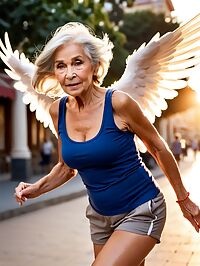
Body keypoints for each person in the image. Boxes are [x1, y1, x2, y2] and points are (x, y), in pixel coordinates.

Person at [14, 22, 200, 266]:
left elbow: (158, 147)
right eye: (61, 66)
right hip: (100, 218)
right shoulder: (57, 110)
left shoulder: (119, 103)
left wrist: (183, 199)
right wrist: (35, 188)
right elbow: (65, 167)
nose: (69, 73)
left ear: (94, 66)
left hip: (142, 208)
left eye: (77, 63)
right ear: (54, 72)